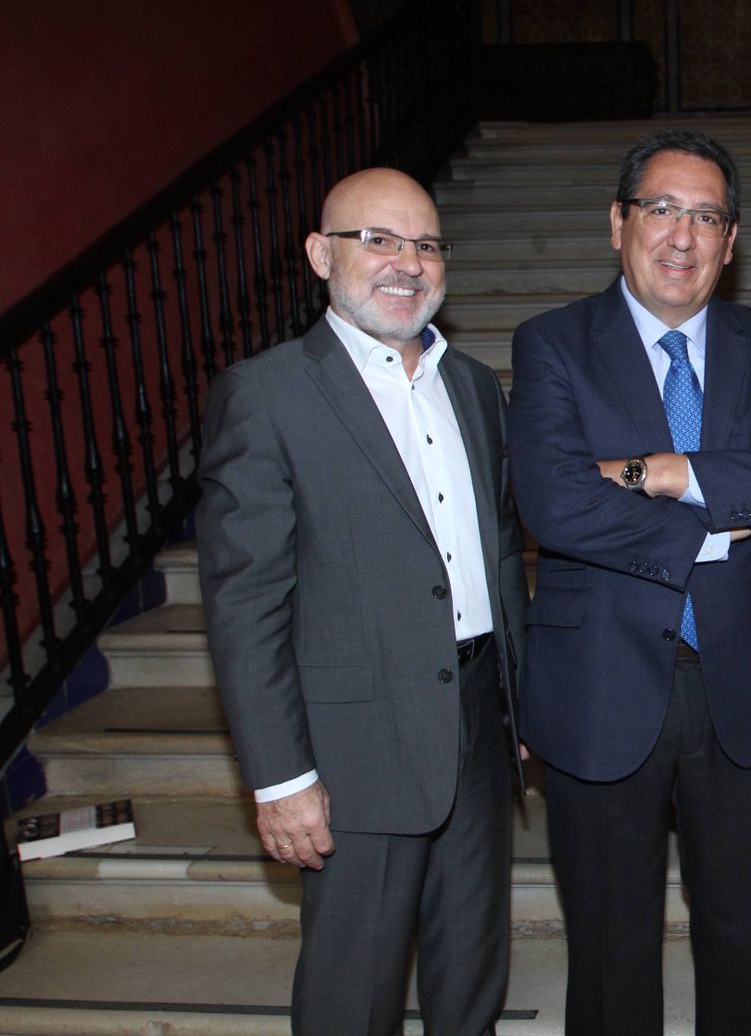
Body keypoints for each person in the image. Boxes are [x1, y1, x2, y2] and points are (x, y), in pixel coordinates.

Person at [508, 130, 751, 1035]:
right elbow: (555, 504)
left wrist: (660, 471)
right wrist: (734, 500)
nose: (682, 235)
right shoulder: (553, 344)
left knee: (738, 938)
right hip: (598, 685)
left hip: (742, 682)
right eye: (661, 209)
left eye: (706, 216)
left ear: (731, 241)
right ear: (618, 222)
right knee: (610, 949)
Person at [197, 167, 528, 1034]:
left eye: (426, 244)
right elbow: (246, 604)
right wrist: (281, 777)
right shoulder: (266, 394)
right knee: (354, 993)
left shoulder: (473, 386)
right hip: (353, 752)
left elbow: (499, 551)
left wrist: (517, 703)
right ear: (320, 254)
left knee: (472, 975)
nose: (407, 263)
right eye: (377, 239)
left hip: (477, 725)